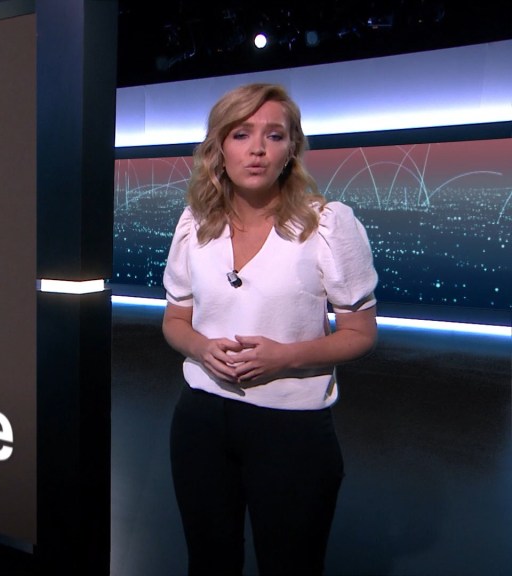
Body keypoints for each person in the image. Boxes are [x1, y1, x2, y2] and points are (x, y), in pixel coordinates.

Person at [161, 82, 378, 574]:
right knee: (208, 562)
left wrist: (284, 357)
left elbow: (361, 333)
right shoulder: (195, 224)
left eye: (274, 135)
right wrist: (201, 347)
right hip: (200, 421)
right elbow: (175, 321)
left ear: (292, 148)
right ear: (219, 147)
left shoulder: (327, 225)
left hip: (291, 429)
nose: (257, 149)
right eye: (241, 134)